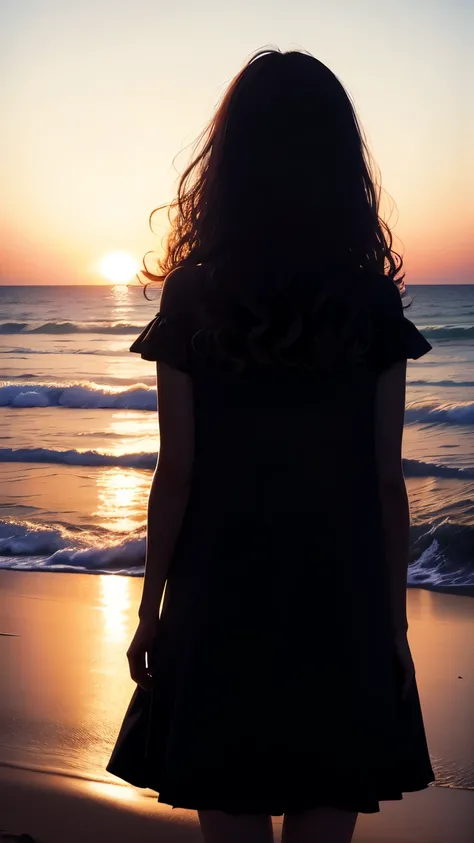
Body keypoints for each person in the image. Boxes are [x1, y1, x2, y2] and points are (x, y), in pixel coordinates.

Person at [107, 49, 434, 843]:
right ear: (338, 160)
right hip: (341, 600)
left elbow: (176, 473)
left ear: (230, 160)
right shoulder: (367, 299)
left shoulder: (194, 295)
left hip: (221, 599)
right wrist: (392, 625)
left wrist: (150, 610)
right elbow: (385, 480)